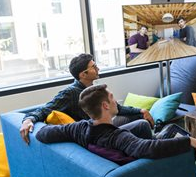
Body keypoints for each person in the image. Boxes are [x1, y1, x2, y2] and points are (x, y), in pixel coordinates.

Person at [35, 84, 196, 162]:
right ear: (105, 106)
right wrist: (187, 141)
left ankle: (158, 136)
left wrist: (30, 120)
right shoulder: (116, 136)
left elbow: (42, 133)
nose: (116, 101)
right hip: (145, 165)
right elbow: (146, 148)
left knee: (143, 125)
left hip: (109, 140)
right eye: (112, 98)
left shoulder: (78, 127)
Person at [19, 53, 153, 144]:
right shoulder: (70, 93)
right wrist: (28, 120)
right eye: (94, 67)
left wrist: (140, 110)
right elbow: (44, 109)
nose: (98, 68)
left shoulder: (91, 89)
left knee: (137, 116)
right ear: (83, 74)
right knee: (142, 124)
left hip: (105, 123)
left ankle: (148, 140)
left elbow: (117, 108)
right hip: (98, 134)